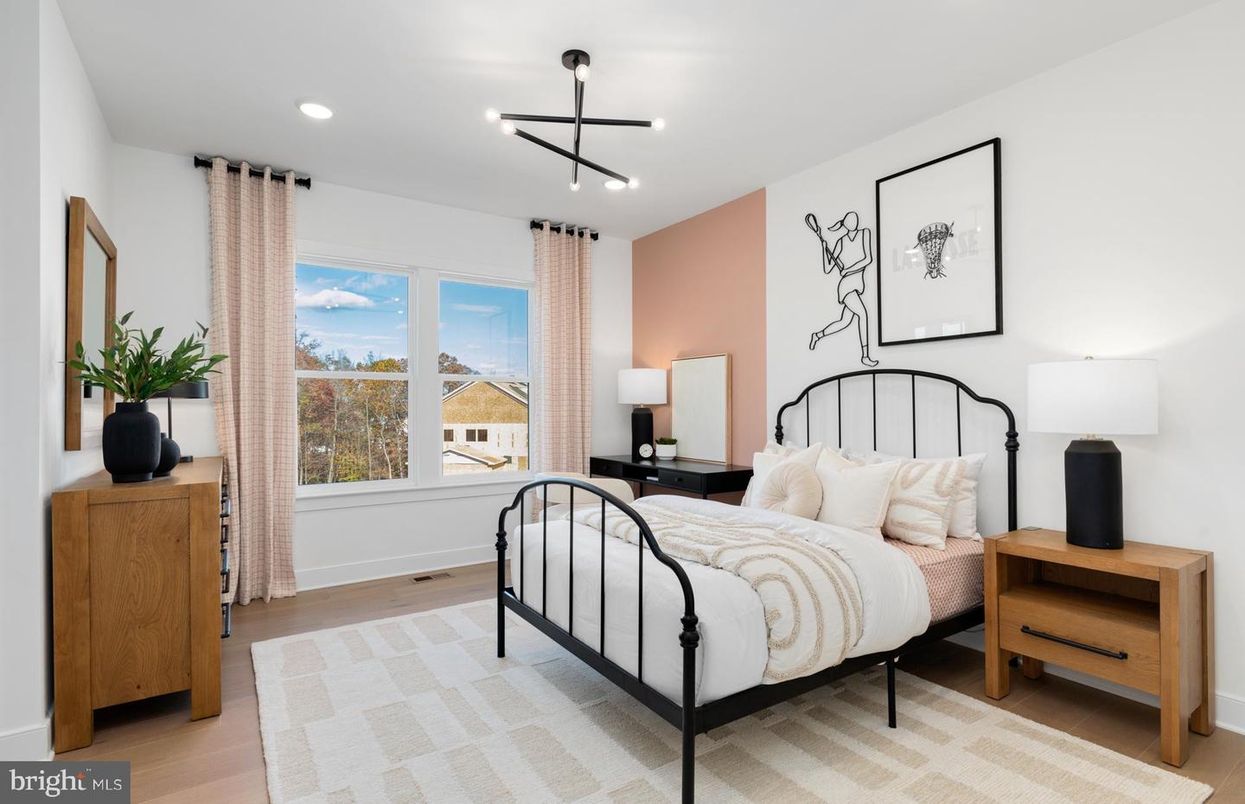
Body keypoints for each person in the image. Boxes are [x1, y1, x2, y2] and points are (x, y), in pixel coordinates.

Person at [807, 211, 878, 367]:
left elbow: (868, 259)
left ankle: (817, 335)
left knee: (844, 322)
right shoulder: (841, 242)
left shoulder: (865, 233)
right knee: (863, 314)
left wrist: (848, 269)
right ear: (845, 224)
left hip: (855, 283)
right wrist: (823, 248)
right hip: (847, 286)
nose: (854, 221)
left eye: (855, 219)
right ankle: (865, 356)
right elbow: (828, 268)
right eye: (850, 220)